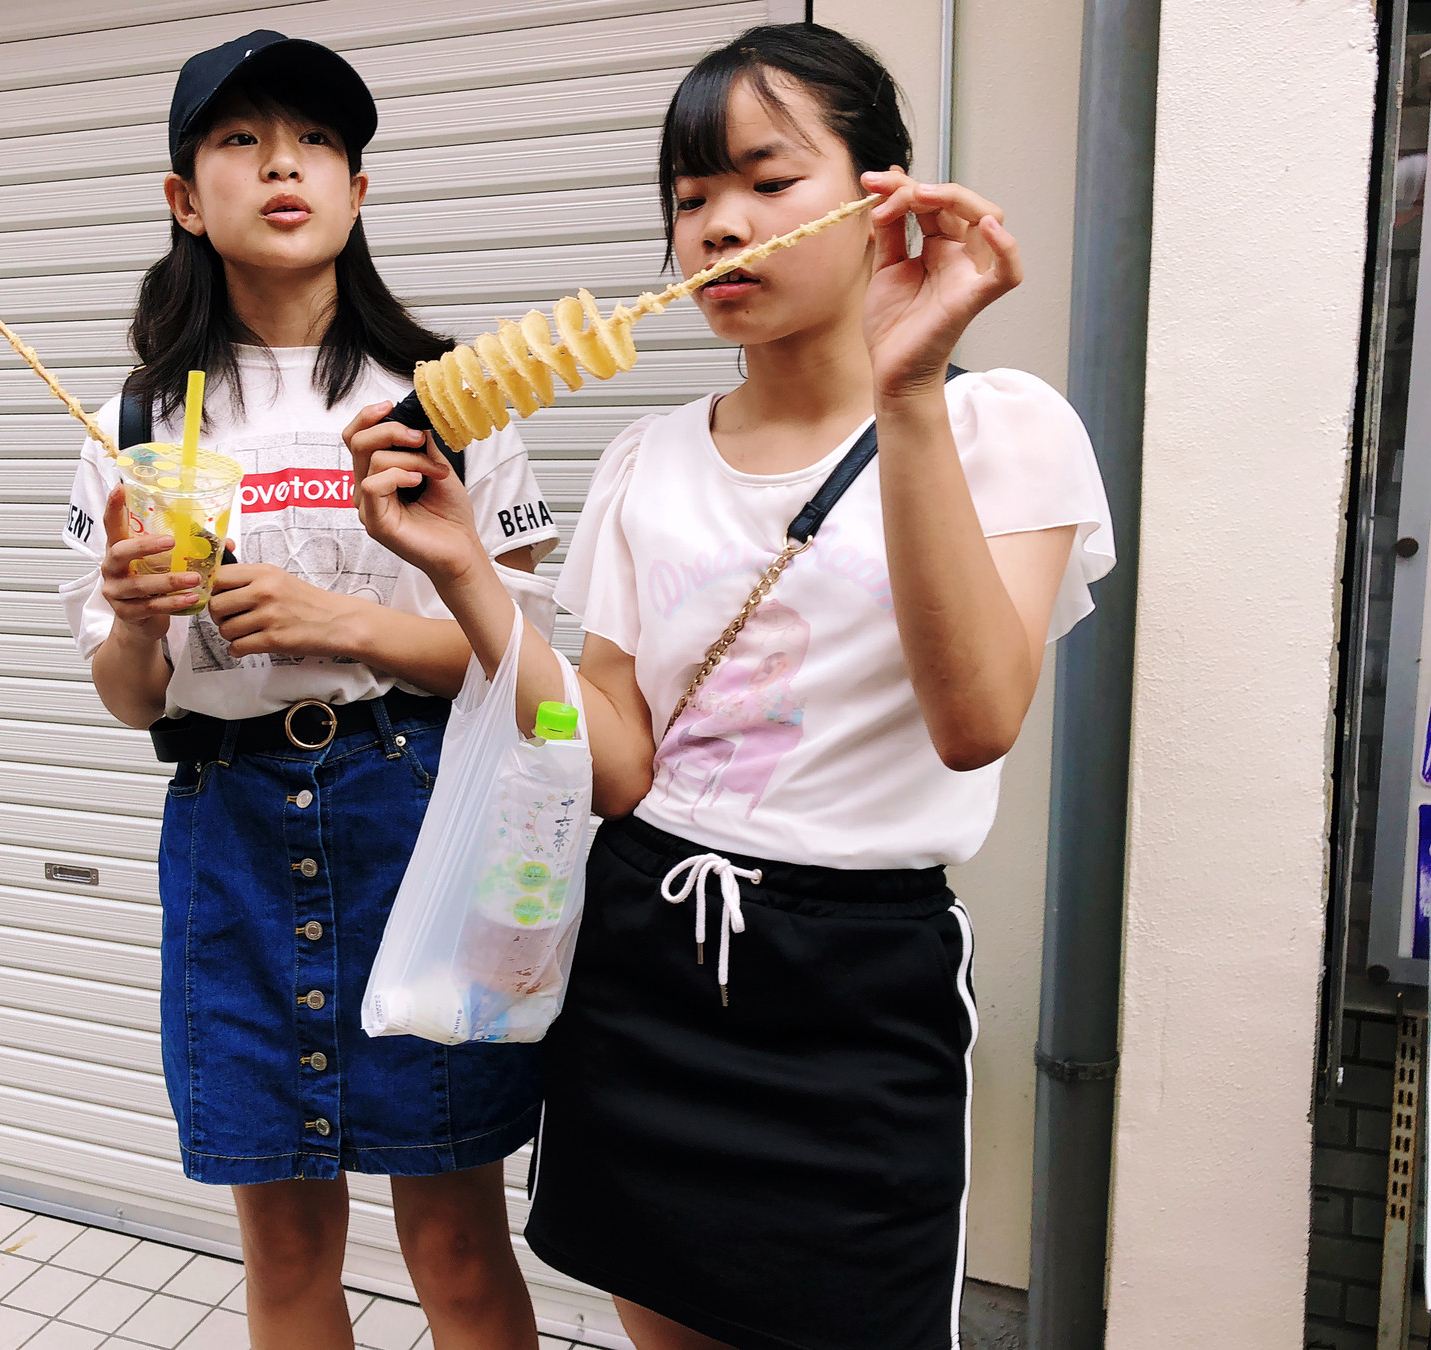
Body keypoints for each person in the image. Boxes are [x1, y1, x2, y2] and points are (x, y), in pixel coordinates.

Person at [346, 22, 1113, 1350]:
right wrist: (469, 575)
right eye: (690, 195)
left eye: (769, 180)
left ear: (881, 195)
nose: (718, 225)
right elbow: (611, 756)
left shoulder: (1005, 426)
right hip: (644, 963)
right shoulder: (647, 461)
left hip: (854, 985)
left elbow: (978, 720)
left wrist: (908, 388)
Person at [58, 32, 556, 1350]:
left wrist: (349, 624)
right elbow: (128, 695)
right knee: (283, 1245)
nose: (284, 165)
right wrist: (140, 623)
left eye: (317, 143)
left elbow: (529, 666)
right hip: (228, 827)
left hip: (420, 817)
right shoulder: (134, 425)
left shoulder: (449, 402)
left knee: (455, 1236)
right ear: (185, 199)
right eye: (242, 141)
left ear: (357, 190)